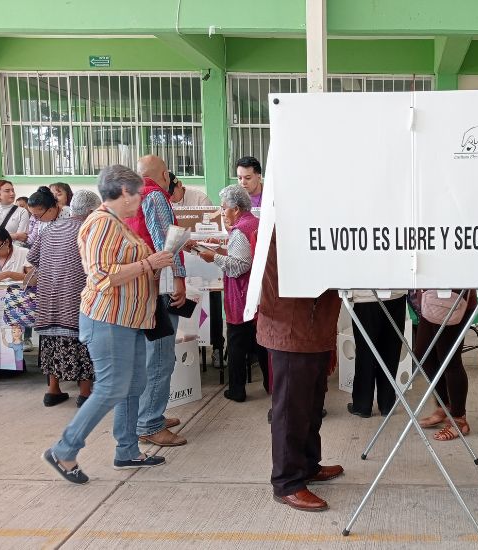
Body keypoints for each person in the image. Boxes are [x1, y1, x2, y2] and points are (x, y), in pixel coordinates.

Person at [42, 164, 174, 484]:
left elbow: (125, 267)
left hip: (128, 319)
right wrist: (149, 263)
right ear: (124, 192)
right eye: (139, 193)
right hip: (108, 319)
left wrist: (154, 265)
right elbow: (102, 276)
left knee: (133, 385)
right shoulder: (102, 223)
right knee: (112, 387)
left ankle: (127, 450)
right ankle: (64, 448)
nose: (141, 199)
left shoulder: (118, 223)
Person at [257, 229, 344, 512]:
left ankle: (307, 465)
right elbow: (305, 271)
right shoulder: (284, 223)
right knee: (291, 411)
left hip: (314, 327)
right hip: (291, 327)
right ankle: (287, 483)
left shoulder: (309, 217)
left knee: (311, 406)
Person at [126, 155, 188, 447]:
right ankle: (150, 424)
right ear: (165, 174)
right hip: (160, 286)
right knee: (161, 358)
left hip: (138, 286)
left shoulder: (129, 196)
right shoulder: (156, 196)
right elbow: (168, 241)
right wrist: (179, 279)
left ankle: (148, 415)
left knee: (146, 356)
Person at [189, 184, 268, 401]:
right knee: (261, 342)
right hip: (255, 293)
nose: (222, 213)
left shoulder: (240, 230)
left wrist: (212, 257)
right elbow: (244, 256)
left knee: (235, 343)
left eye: (224, 208)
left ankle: (237, 390)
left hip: (241, 295)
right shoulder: (253, 223)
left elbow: (240, 264)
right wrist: (221, 250)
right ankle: (271, 384)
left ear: (236, 208)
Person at [28, 190, 101, 408]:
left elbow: (32, 257)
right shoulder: (89, 230)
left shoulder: (50, 228)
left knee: (52, 342)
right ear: (90, 211)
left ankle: (53, 391)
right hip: (75, 297)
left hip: (49, 297)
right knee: (82, 342)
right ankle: (85, 394)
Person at [413, 291, 477, 440]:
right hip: (430, 297)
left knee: (449, 360)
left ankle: (459, 419)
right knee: (425, 356)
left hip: (454, 297)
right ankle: (445, 406)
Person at [347, 290, 406, 418]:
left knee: (365, 353)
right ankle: (386, 404)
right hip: (395, 292)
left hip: (366, 296)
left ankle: (362, 405)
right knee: (391, 350)